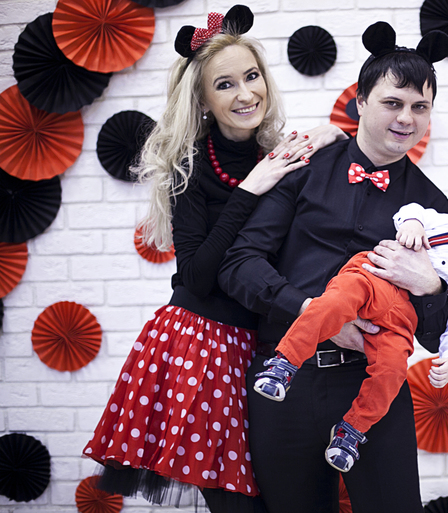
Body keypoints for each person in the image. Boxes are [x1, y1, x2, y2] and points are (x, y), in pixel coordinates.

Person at [81, 6, 347, 513]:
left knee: (284, 494)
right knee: (236, 505)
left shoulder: (279, 157)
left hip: (262, 348)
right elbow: (196, 276)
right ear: (203, 99)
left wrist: (331, 134)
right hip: (200, 348)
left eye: (252, 77)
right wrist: (250, 190)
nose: (245, 94)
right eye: (225, 85)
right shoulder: (189, 165)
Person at [218, 21, 448, 513]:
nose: (406, 118)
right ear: (361, 101)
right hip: (284, 381)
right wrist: (311, 311)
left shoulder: (434, 207)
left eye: (420, 107)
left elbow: (438, 337)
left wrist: (431, 287)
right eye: (393, 102)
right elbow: (239, 264)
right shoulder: (304, 166)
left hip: (373, 385)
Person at [252, 204, 448, 472]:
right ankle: (284, 363)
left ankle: (352, 430)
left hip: (400, 320)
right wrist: (413, 224)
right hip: (373, 277)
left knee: (393, 369)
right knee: (333, 304)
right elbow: (415, 210)